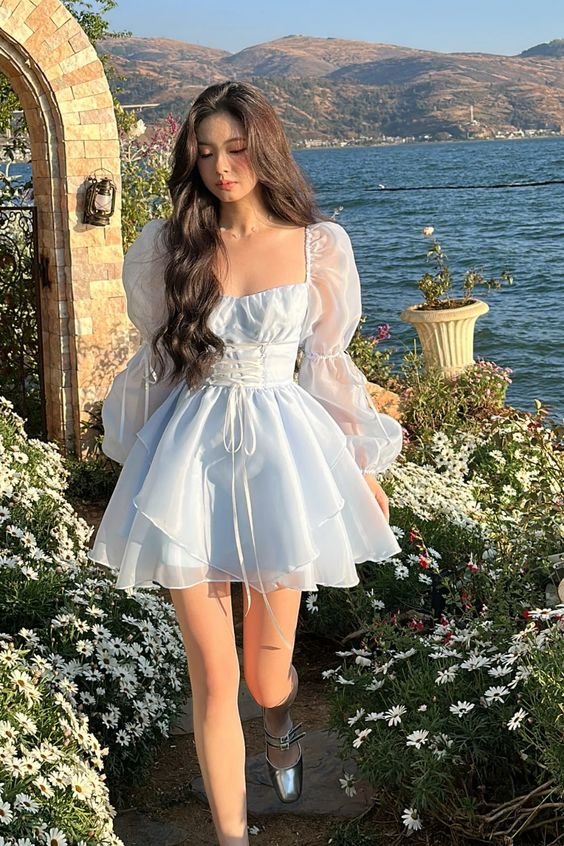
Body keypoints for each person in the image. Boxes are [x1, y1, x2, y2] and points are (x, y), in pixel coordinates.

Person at [87, 80, 403, 846]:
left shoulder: (317, 244)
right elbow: (156, 369)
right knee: (214, 676)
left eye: (235, 148)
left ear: (262, 148)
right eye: (204, 152)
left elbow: (327, 366)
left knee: (263, 676)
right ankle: (232, 836)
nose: (222, 168)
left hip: (283, 458)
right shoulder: (169, 246)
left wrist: (360, 466)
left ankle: (283, 723)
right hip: (190, 457)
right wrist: (135, 472)